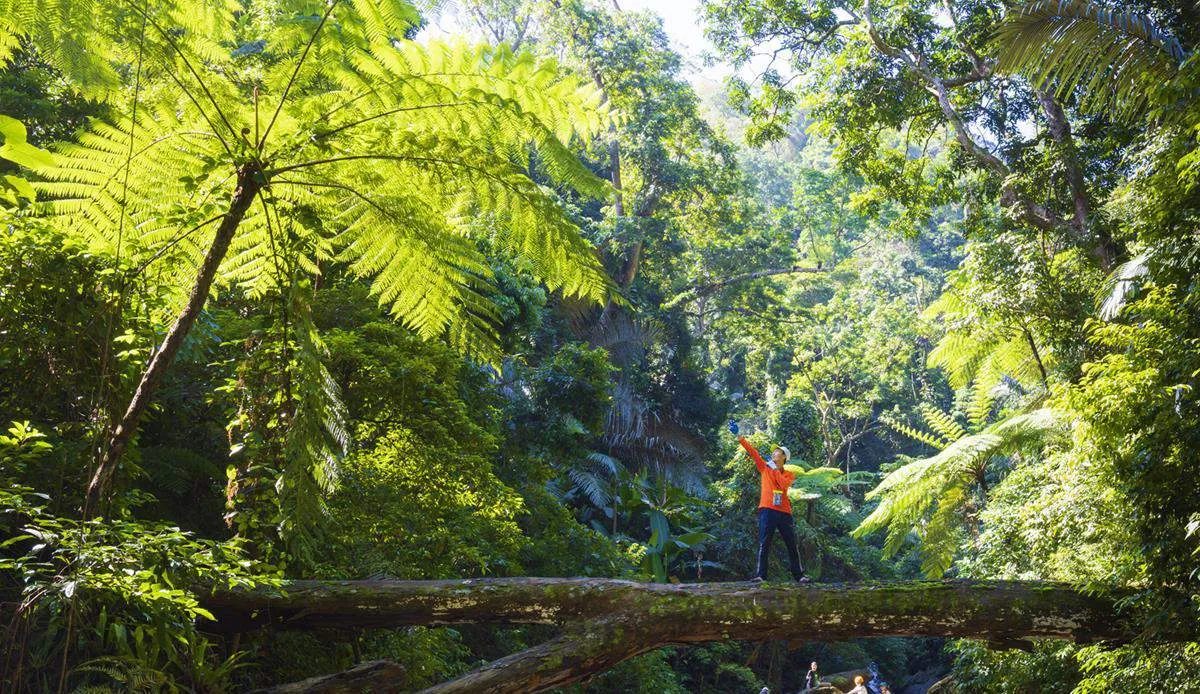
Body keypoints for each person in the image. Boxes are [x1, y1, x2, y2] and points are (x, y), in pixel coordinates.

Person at [729, 420, 810, 583]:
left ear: (784, 458)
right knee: (764, 543)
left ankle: (799, 575)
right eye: (774, 453)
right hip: (767, 509)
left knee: (791, 544)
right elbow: (753, 453)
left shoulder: (788, 474)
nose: (774, 454)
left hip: (784, 512)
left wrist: (774, 468)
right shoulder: (764, 468)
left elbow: (783, 485)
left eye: (777, 453)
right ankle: (761, 575)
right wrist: (739, 436)